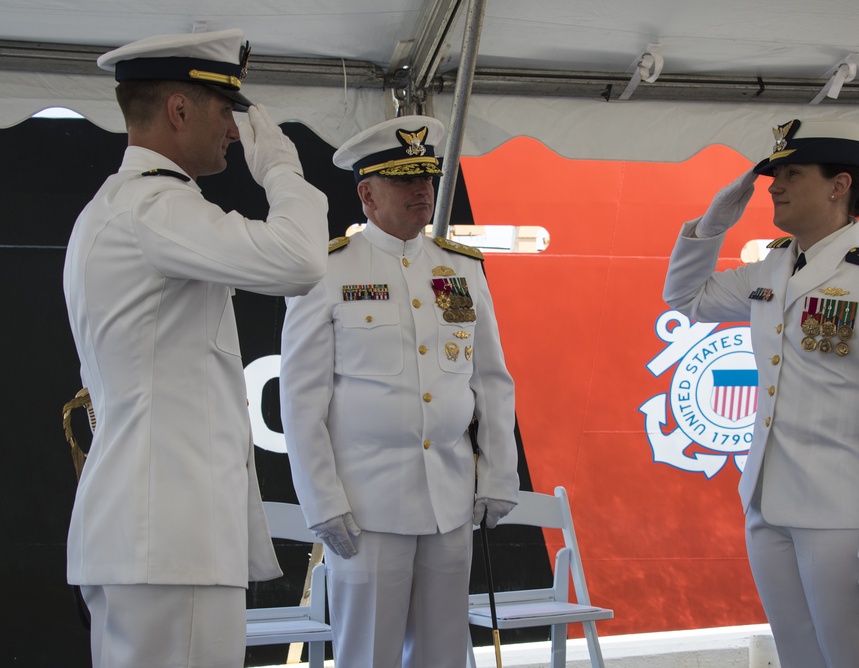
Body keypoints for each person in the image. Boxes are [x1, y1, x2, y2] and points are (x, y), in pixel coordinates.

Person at [62, 28, 329, 668]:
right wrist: (284, 171)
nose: (234, 132)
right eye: (223, 110)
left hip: (158, 538)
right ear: (179, 111)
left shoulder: (122, 207)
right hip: (167, 541)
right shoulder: (155, 208)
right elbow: (299, 259)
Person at [662, 119, 859, 667]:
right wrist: (710, 226)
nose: (774, 186)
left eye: (792, 173)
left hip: (845, 516)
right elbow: (684, 298)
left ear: (839, 186)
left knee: (857, 660)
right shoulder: (773, 267)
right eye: (773, 175)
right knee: (799, 659)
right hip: (769, 505)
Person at [279, 115, 520, 668]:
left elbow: (491, 381)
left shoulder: (459, 269)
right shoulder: (328, 271)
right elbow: (301, 400)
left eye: (428, 179)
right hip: (367, 508)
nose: (423, 192)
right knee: (370, 655)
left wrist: (500, 473)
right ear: (367, 194)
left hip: (449, 502)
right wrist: (321, 501)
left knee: (442, 656)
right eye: (405, 181)